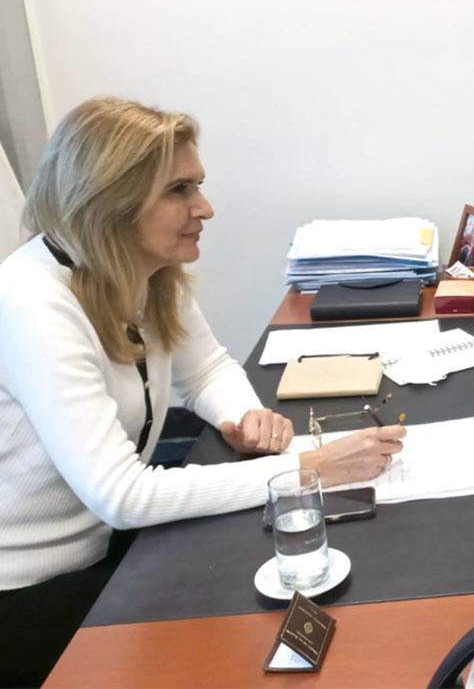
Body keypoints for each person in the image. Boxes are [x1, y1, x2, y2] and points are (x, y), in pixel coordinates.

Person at [0, 98, 406, 686]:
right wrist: (310, 466)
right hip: (25, 595)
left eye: (199, 185)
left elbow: (208, 368)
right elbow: (122, 495)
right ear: (108, 200)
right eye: (179, 190)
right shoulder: (31, 303)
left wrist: (243, 416)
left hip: (101, 550)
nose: (205, 208)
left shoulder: (143, 273)